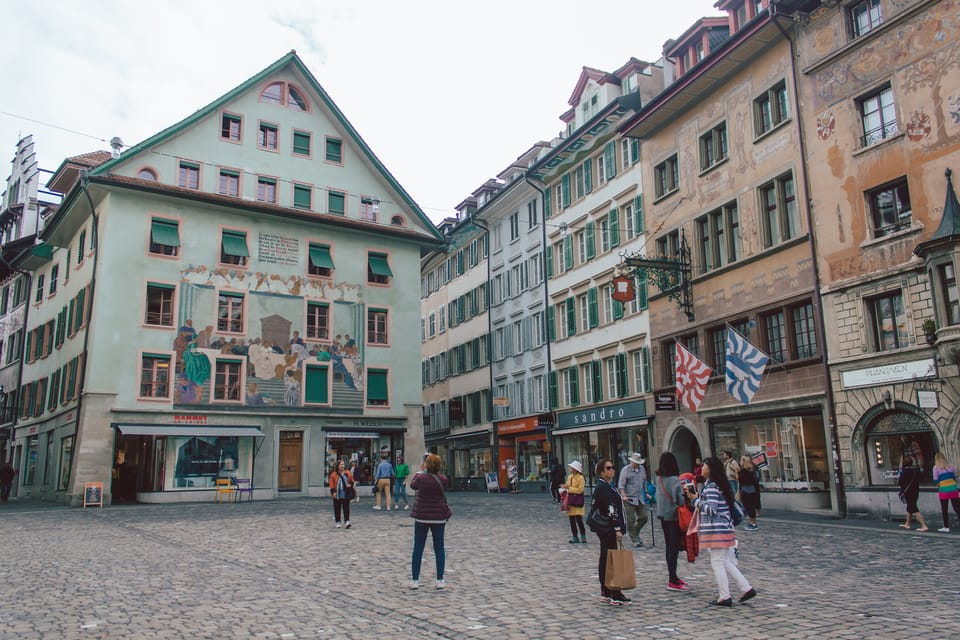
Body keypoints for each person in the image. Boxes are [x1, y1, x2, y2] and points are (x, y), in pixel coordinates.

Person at [687, 456, 755, 607]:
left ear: (710, 469)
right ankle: (746, 588)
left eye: (704, 466)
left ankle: (724, 596)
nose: (702, 468)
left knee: (717, 562)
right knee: (724, 561)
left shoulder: (711, 486)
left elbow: (711, 509)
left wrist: (695, 500)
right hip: (723, 527)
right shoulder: (717, 484)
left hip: (716, 528)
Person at [409, 453, 452, 589]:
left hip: (422, 516)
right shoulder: (443, 479)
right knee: (439, 548)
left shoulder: (421, 478)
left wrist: (420, 471)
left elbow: (413, 485)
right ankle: (440, 579)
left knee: (418, 548)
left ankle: (415, 580)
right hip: (438, 517)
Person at [593, 457, 630, 605]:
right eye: (608, 468)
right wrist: (617, 529)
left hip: (605, 529)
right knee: (611, 560)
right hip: (608, 529)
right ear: (601, 471)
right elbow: (611, 509)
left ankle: (606, 590)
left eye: (613, 467)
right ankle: (614, 592)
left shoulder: (606, 486)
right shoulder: (604, 487)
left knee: (606, 558)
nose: (612, 470)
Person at [656, 452, 690, 592]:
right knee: (673, 548)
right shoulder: (675, 480)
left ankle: (673, 576)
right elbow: (680, 500)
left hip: (663, 516)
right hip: (674, 517)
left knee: (669, 546)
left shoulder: (659, 479)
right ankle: (672, 579)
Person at [618, 452, 649, 547]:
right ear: (631, 461)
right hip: (629, 498)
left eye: (637, 463)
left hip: (639, 497)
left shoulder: (642, 469)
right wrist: (623, 495)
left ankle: (636, 531)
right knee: (630, 520)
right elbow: (621, 485)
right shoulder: (625, 470)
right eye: (634, 462)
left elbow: (644, 481)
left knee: (644, 516)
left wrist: (646, 492)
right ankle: (634, 538)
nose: (636, 464)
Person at [898, 455, 928, 532]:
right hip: (915, 490)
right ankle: (907, 523)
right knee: (910, 507)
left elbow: (900, 482)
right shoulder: (916, 470)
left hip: (908, 492)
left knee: (914, 507)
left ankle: (923, 525)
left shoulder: (905, 472)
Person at [933, 453, 960, 532]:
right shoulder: (951, 466)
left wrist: (940, 485)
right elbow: (954, 477)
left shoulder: (936, 468)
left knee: (944, 509)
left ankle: (946, 527)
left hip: (944, 490)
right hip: (953, 489)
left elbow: (936, 480)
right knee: (957, 507)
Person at [564, 460, 587, 544]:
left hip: (578, 501)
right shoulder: (570, 477)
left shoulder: (580, 478)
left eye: (571, 467)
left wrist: (570, 489)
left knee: (579, 520)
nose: (570, 468)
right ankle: (575, 536)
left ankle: (583, 535)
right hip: (571, 501)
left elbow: (580, 490)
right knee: (572, 520)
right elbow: (567, 486)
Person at [328, 460, 354, 529]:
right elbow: (331, 484)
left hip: (346, 493)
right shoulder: (333, 474)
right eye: (341, 464)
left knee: (346, 508)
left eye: (343, 464)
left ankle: (347, 521)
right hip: (337, 493)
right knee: (337, 508)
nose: (343, 466)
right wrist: (333, 492)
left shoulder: (348, 473)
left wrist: (350, 485)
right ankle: (338, 521)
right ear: (338, 466)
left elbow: (352, 481)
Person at [738, 455, 761, 531]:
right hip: (746, 490)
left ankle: (753, 523)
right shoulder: (746, 470)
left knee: (750, 507)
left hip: (748, 490)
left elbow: (744, 480)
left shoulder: (748, 471)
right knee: (748, 507)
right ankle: (752, 522)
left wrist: (738, 473)